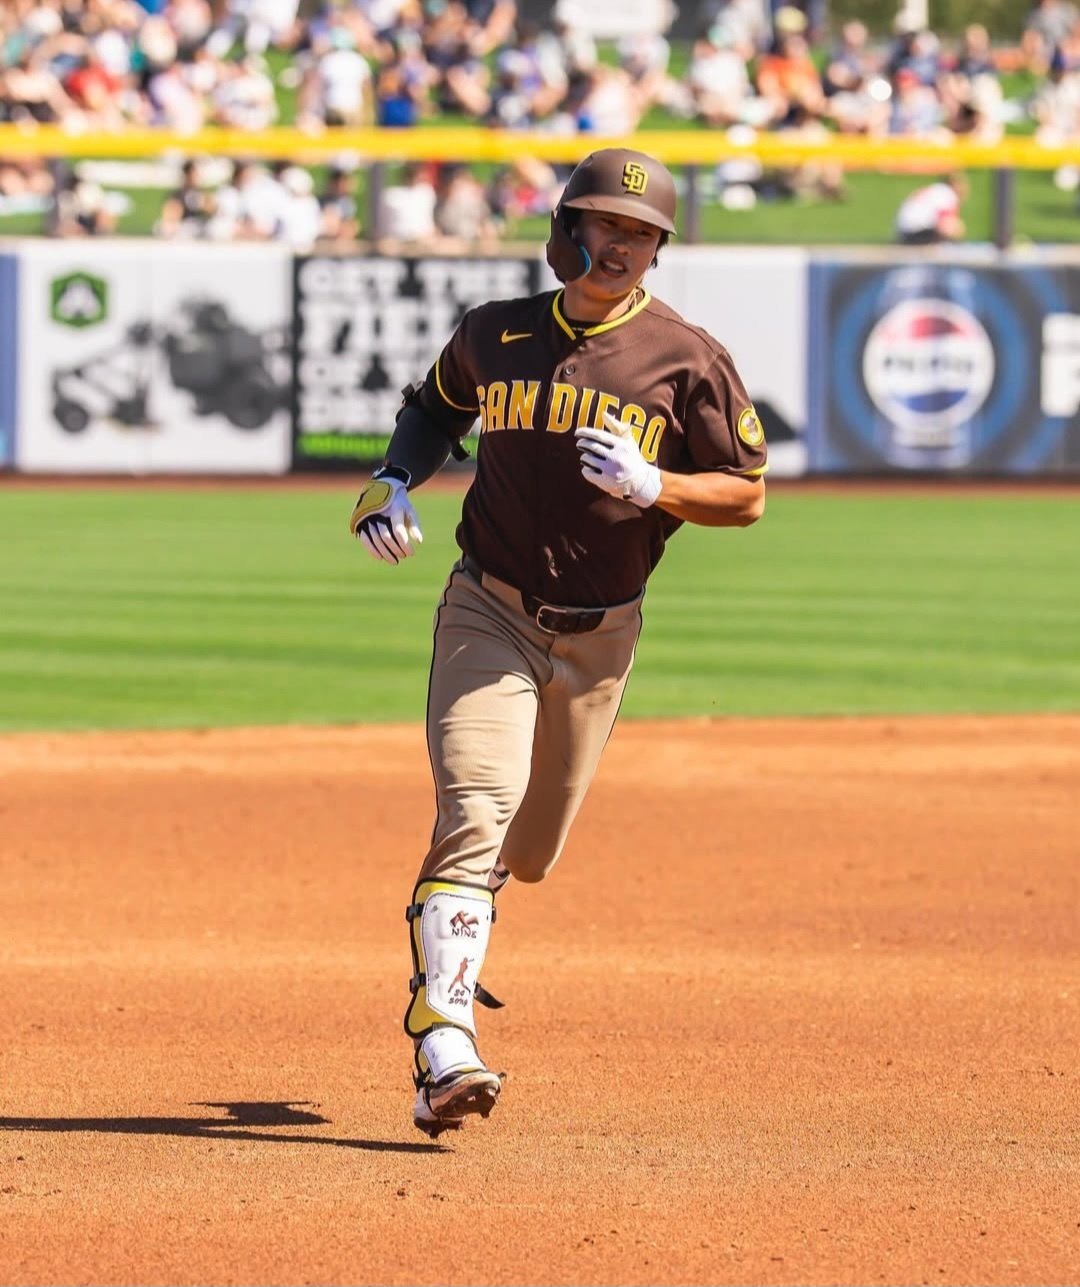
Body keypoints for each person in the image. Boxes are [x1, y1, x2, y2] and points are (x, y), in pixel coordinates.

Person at [346, 148, 768, 1138]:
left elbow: (747, 493)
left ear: (660, 250)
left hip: (600, 636)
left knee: (528, 854)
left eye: (641, 234)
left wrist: (658, 486)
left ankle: (464, 919)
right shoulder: (493, 332)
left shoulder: (686, 358)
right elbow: (435, 408)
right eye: (606, 223)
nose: (620, 246)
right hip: (486, 607)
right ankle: (443, 1037)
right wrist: (392, 477)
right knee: (474, 807)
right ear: (565, 228)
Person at [894, 171, 969, 245]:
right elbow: (945, 223)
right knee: (956, 227)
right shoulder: (948, 193)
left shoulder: (937, 189)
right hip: (915, 233)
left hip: (903, 233)